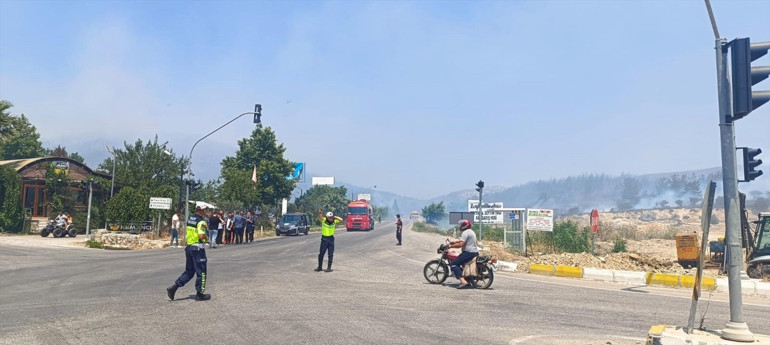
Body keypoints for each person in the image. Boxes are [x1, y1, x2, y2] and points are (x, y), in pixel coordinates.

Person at [167, 205, 211, 301]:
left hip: (189, 247)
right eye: (205, 210)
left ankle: (174, 287)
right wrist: (207, 238)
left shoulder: (191, 219)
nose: (206, 211)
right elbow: (200, 235)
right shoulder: (201, 221)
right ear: (202, 210)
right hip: (198, 249)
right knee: (202, 272)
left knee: (189, 271)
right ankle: (200, 294)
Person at [448, 220, 479, 289]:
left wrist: (451, 246)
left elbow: (461, 244)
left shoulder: (465, 232)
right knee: (460, 262)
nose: (460, 226)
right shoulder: (471, 231)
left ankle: (464, 282)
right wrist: (454, 242)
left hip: (468, 252)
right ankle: (466, 277)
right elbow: (462, 240)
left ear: (465, 226)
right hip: (474, 252)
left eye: (462, 225)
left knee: (454, 264)